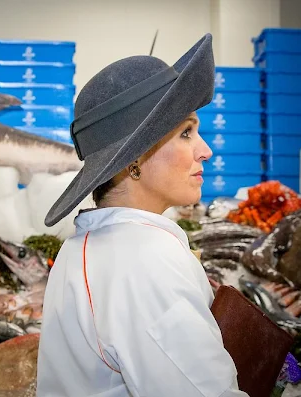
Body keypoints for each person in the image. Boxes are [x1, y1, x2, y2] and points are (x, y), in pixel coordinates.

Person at [36, 33, 249, 396]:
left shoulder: (84, 246)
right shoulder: (146, 262)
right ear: (133, 161)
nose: (206, 151)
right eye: (186, 132)